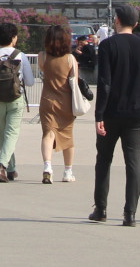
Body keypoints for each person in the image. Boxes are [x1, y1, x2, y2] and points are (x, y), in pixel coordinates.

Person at [90, 3, 140, 225]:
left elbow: (104, 83)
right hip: (137, 112)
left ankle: (100, 209)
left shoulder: (109, 46)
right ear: (136, 24)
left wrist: (99, 115)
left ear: (116, 20)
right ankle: (130, 213)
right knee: (133, 162)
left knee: (104, 159)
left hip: (111, 112)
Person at [0, 22, 34, 182]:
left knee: (3, 135)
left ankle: (11, 169)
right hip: (16, 98)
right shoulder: (20, 55)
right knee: (12, 133)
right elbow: (31, 81)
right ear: (13, 37)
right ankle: (2, 166)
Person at [37, 25, 79, 184]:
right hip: (65, 102)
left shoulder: (42, 56)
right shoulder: (70, 59)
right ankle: (68, 171)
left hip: (47, 100)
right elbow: (75, 80)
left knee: (48, 134)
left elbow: (43, 70)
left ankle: (47, 167)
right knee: (67, 137)